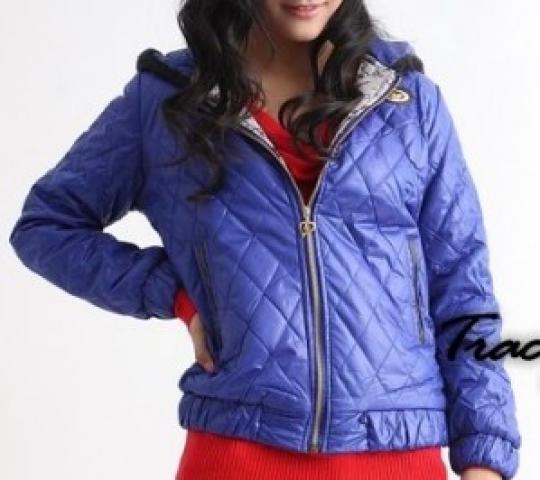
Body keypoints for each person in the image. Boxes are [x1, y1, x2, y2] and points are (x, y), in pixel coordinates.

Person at [8, 1, 521, 479]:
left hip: (398, 457)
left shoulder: (408, 103)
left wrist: (485, 458)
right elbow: (47, 224)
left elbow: (463, 289)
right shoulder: (169, 100)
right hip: (236, 456)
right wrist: (181, 294)